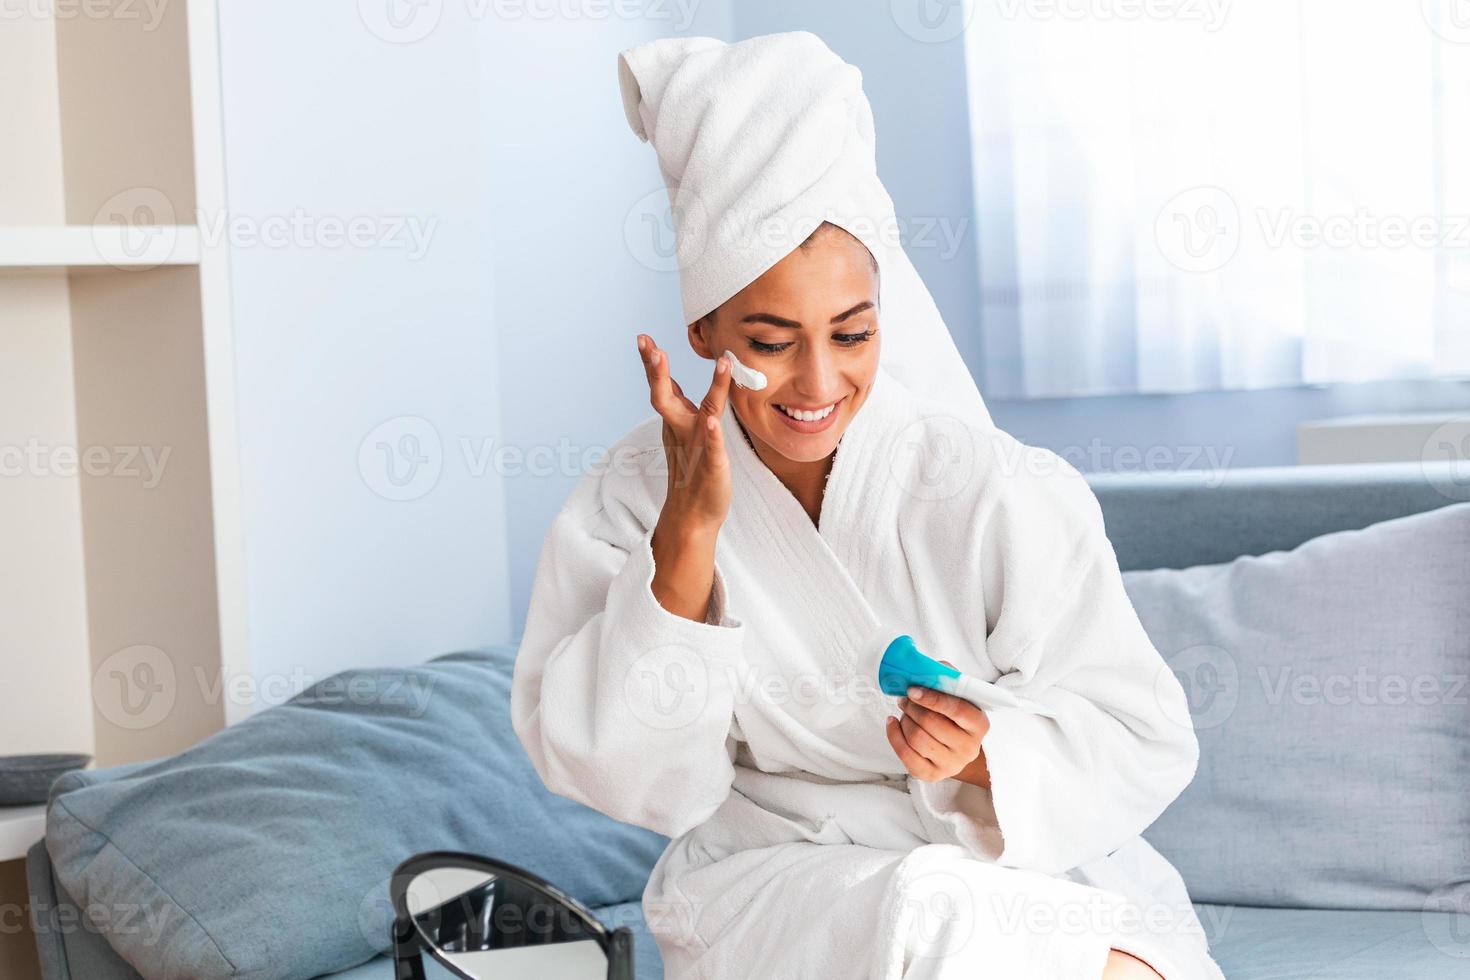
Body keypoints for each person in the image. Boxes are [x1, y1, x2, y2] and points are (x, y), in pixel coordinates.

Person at [511, 31, 1227, 980]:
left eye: (852, 333)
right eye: (770, 339)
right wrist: (686, 545)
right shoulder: (631, 501)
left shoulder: (989, 488)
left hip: (1008, 859)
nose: (818, 380)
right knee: (933, 913)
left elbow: (1142, 734)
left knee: (1061, 941)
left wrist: (983, 758)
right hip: (773, 882)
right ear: (702, 328)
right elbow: (625, 777)